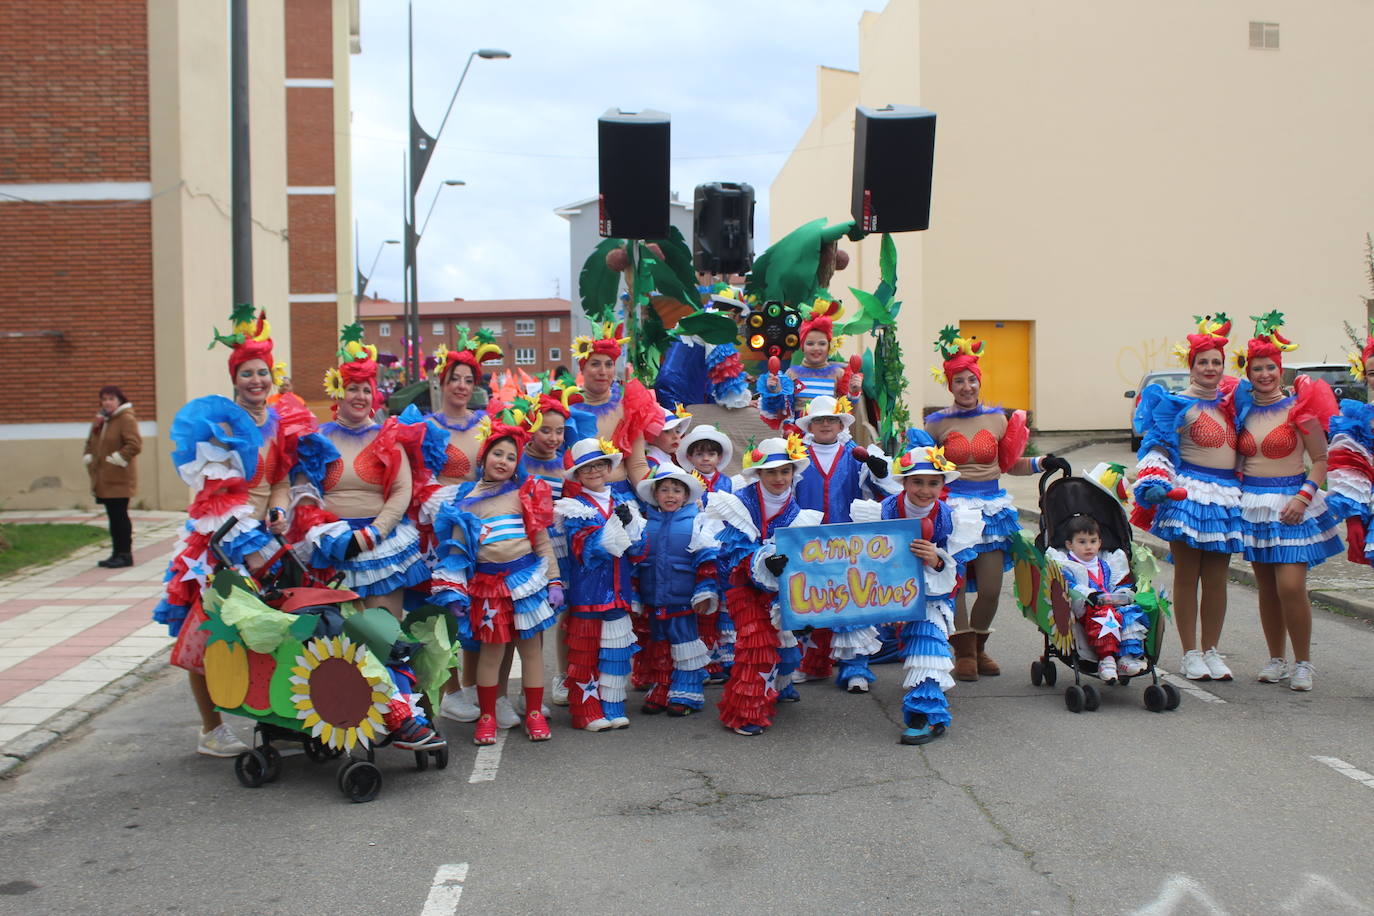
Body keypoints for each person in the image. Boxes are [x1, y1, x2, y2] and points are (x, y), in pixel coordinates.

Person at [153, 305, 305, 756]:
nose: (256, 382)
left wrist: (278, 511)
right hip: (220, 539)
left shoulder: (276, 426)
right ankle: (210, 729)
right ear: (234, 379)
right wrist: (246, 537)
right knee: (208, 629)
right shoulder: (216, 425)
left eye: (262, 373)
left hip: (264, 540)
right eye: (247, 374)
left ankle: (275, 722)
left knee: (269, 630)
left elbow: (279, 480)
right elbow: (214, 493)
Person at [924, 325, 1053, 682]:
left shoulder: (999, 418)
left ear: (980, 382)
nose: (966, 387)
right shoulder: (936, 424)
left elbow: (1011, 463)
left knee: (992, 587)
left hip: (992, 509)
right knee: (957, 585)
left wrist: (1043, 463)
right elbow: (922, 467)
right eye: (959, 381)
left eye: (972, 380)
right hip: (953, 511)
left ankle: (979, 645)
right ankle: (963, 650)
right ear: (950, 385)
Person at [429, 413, 559, 743]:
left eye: (511, 457)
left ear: (518, 464)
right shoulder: (466, 503)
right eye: (497, 453)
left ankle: (533, 713)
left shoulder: (524, 495)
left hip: (525, 582)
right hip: (487, 589)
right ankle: (486, 717)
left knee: (531, 652)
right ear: (484, 456)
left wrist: (554, 581)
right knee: (492, 653)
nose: (503, 461)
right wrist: (454, 594)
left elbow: (542, 541)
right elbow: (456, 554)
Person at [1233, 314, 1341, 691]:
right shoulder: (1242, 411)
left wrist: (1303, 496)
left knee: (1291, 587)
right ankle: (1276, 658)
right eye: (1257, 368)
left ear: (1281, 370)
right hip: (1254, 505)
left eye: (1270, 368)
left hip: (1293, 502)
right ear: (1248, 373)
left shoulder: (1301, 408)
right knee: (1266, 587)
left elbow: (1322, 460)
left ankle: (1304, 663)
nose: (1264, 374)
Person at [1132, 314, 1243, 682]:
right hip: (1189, 495)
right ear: (1191, 367)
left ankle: (1212, 650)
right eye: (1203, 362)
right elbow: (1158, 448)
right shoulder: (1176, 404)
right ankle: (1190, 652)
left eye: (1216, 362)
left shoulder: (1231, 404)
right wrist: (1156, 482)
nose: (1210, 368)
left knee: (1216, 578)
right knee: (1187, 574)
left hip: (1225, 496)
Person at [293, 325, 430, 620]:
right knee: (336, 648)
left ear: (375, 397)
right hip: (330, 548)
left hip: (380, 546)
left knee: (383, 638)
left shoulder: (388, 436)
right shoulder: (318, 437)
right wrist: (320, 531)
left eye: (367, 390)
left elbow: (401, 490)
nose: (360, 396)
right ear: (339, 393)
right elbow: (303, 488)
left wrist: (371, 535)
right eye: (353, 388)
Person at [851, 430, 979, 744]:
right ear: (904, 482)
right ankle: (852, 671)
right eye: (917, 482)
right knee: (854, 630)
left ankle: (926, 714)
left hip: (932, 593)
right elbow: (861, 557)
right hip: (884, 591)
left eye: (933, 482)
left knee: (928, 641)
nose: (925, 490)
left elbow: (955, 574)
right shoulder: (881, 511)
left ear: (942, 485)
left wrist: (936, 560)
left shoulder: (951, 520)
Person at [701, 435, 821, 736]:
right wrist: (763, 560)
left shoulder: (796, 510)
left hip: (781, 588)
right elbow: (735, 551)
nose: (779, 478)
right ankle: (744, 712)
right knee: (757, 643)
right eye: (771, 472)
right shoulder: (739, 505)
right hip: (743, 585)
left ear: (793, 473)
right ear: (758, 474)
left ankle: (779, 686)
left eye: (785, 471)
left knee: (788, 643)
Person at [789, 394, 896, 692]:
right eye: (819, 420)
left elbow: (888, 489)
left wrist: (880, 469)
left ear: (840, 424)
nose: (825, 425)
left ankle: (855, 669)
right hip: (808, 544)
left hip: (849, 545)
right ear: (810, 425)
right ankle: (813, 664)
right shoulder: (797, 456)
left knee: (853, 605)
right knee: (811, 603)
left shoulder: (857, 454)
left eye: (831, 420)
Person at [554, 437, 647, 731]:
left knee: (616, 653)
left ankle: (613, 705)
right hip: (588, 594)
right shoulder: (572, 508)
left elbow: (639, 550)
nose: (593, 472)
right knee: (585, 654)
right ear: (578, 475)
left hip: (619, 592)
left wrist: (631, 525)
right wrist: (613, 528)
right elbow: (583, 550)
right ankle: (587, 711)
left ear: (609, 467)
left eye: (599, 465)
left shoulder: (624, 502)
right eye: (586, 468)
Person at [632, 463, 718, 716]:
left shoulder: (697, 522)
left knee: (685, 644)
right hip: (654, 599)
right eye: (665, 490)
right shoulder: (645, 525)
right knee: (658, 644)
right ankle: (662, 686)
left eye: (676, 490)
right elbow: (635, 563)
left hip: (683, 600)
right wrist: (636, 595)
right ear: (655, 494)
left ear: (686, 495)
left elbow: (707, 559)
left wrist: (705, 590)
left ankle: (687, 692)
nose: (670, 495)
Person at [517, 381, 577, 708]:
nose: (554, 438)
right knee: (534, 620)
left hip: (560, 545)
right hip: (528, 547)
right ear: (530, 429)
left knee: (564, 615)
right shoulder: (519, 462)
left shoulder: (564, 465)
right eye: (546, 431)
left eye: (559, 431)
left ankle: (563, 678)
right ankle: (533, 689)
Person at [1046, 515, 1146, 683]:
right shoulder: (1066, 564)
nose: (1088, 547)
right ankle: (1106, 659)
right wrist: (1089, 594)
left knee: (1130, 613)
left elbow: (1118, 583)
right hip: (1083, 607)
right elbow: (1068, 586)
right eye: (1082, 542)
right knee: (1106, 615)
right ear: (1069, 545)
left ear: (1100, 543)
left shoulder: (1106, 563)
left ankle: (1126, 658)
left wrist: (1123, 593)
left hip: (1109, 603)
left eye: (1093, 541)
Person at [567, 321, 663, 487]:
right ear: (582, 369)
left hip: (621, 497)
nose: (603, 371)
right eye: (595, 364)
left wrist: (655, 494)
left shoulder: (629, 407)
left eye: (609, 364)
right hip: (580, 500)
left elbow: (637, 464)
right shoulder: (567, 409)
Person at [676, 424, 737, 681]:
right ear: (690, 457)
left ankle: (726, 659)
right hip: (697, 552)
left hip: (723, 550)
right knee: (704, 603)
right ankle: (705, 661)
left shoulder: (730, 483)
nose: (705, 459)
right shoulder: (684, 483)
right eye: (699, 453)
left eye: (710, 454)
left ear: (719, 457)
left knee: (726, 604)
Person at [758, 300, 864, 428]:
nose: (816, 348)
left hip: (828, 434)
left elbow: (847, 411)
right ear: (802, 347)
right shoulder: (791, 373)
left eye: (822, 343)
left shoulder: (839, 373)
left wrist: (853, 392)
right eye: (810, 344)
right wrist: (774, 391)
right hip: (799, 437)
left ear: (829, 346)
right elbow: (780, 412)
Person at [1325, 323, 1374, 566]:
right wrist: (1354, 519)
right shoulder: (1356, 422)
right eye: (1373, 372)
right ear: (1365, 376)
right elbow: (1348, 472)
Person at [84, 385, 142, 568]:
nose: (107, 402)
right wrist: (88, 455)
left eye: (111, 399)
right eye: (105, 399)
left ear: (119, 401)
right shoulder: (102, 420)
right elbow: (91, 442)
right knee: (112, 516)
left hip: (119, 478)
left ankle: (125, 554)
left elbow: (135, 444)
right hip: (104, 478)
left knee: (120, 516)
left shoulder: (125, 418)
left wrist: (118, 458)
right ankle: (116, 553)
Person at [645, 404, 693, 473]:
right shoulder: (651, 462)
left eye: (677, 431)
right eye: (667, 431)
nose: (676, 436)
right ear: (651, 436)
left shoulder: (663, 457)